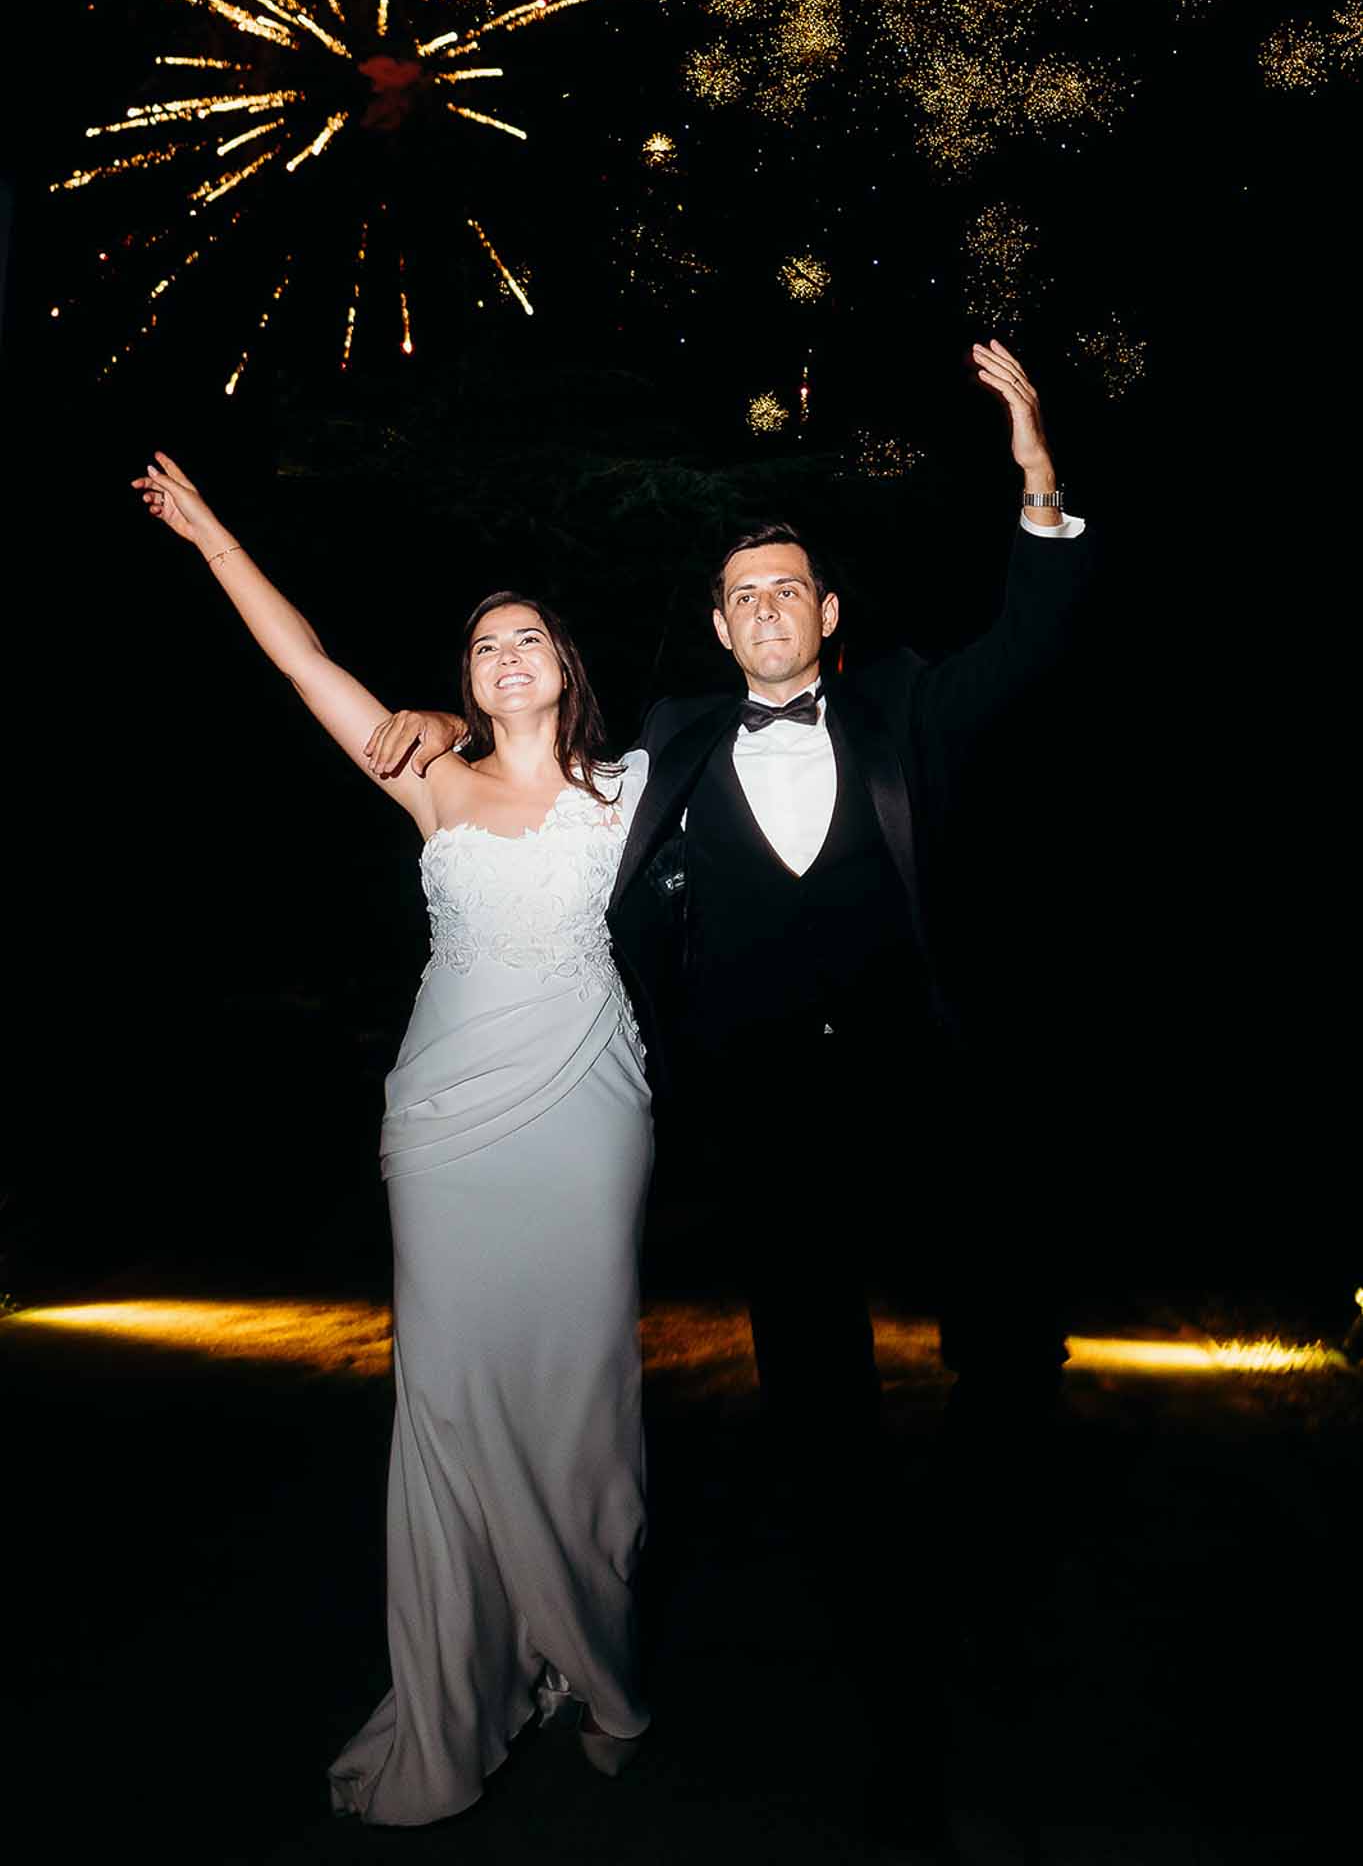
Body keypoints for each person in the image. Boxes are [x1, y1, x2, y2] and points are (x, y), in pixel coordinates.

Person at [370, 340, 1095, 1860]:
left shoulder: (907, 708)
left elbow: (1029, 641)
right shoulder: (676, 746)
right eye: (743, 594)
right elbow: (538, 774)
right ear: (719, 625)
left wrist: (1034, 466)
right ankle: (879, 1680)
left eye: (791, 590)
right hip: (769, 1129)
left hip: (929, 1110)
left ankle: (1007, 1600)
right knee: (822, 1412)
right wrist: (434, 725)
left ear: (828, 618)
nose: (767, 608)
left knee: (1004, 1365)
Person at [131, 453, 654, 1826]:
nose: (506, 655)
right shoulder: (427, 779)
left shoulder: (638, 786)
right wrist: (211, 535)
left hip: (588, 1110)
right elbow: (304, 660)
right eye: (483, 647)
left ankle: (592, 1662)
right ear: (469, 681)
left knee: (580, 1391)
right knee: (451, 1398)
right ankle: (460, 1688)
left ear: (565, 665)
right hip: (446, 1123)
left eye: (527, 636)